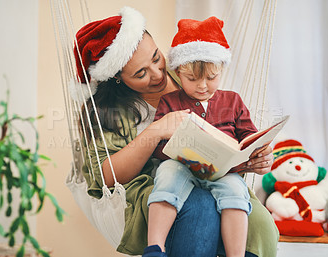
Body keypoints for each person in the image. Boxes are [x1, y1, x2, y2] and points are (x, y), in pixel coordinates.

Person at [73, 6, 279, 257]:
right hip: (160, 184)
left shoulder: (189, 69)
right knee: (200, 207)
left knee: (262, 227)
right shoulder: (107, 110)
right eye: (140, 73)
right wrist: (156, 131)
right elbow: (105, 177)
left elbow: (231, 127)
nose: (158, 74)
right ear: (117, 78)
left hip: (218, 178)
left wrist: (254, 157)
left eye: (156, 58)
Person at [145, 16, 258, 257]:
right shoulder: (170, 101)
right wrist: (171, 143)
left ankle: (235, 253)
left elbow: (249, 136)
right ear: (178, 72)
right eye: (192, 79)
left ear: (221, 70)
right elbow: (157, 146)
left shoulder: (233, 100)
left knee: (237, 193)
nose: (203, 86)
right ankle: (155, 247)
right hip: (182, 167)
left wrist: (255, 149)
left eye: (211, 77)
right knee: (165, 175)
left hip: (222, 172)